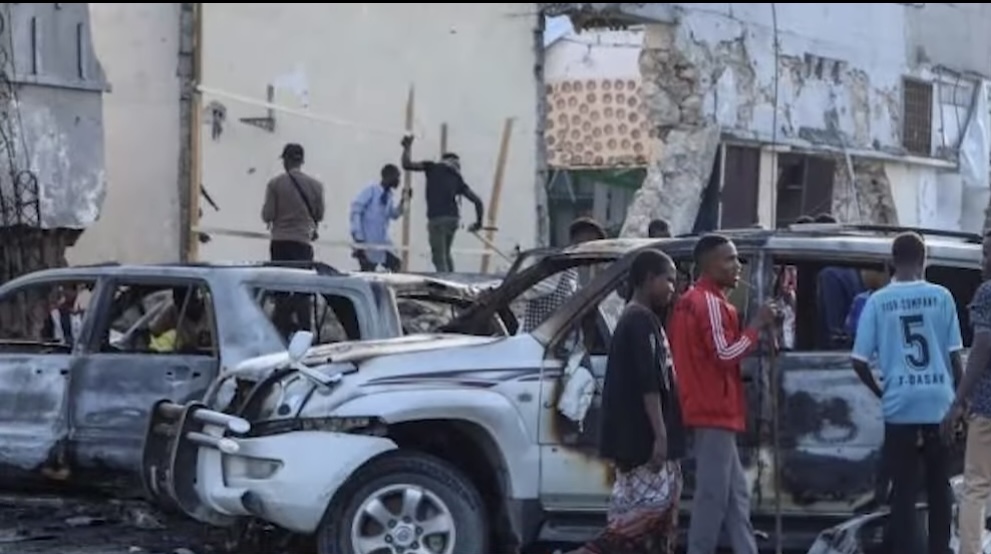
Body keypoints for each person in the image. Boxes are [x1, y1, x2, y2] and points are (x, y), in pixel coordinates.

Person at [564, 248, 685, 554]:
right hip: (642, 442)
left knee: (643, 524)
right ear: (649, 279)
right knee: (644, 517)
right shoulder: (639, 322)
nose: (672, 288)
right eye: (668, 280)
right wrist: (660, 436)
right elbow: (649, 383)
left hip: (638, 442)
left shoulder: (642, 319)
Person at [851, 231, 962, 554]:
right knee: (939, 486)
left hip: (899, 405)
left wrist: (881, 391)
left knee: (903, 489)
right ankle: (939, 549)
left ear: (891, 262)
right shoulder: (942, 296)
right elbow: (955, 357)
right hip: (938, 404)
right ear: (924, 260)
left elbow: (858, 360)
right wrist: (959, 402)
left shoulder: (877, 301)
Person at [668, 234, 777, 554]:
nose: (737, 265)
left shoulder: (691, 301)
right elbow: (725, 354)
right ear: (709, 265)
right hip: (713, 409)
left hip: (708, 407)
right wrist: (756, 325)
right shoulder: (711, 303)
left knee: (735, 496)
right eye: (729, 259)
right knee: (713, 496)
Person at [943, 229, 991, 554]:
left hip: (988, 407)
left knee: (975, 487)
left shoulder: (988, 292)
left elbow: (982, 347)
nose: (982, 262)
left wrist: (959, 399)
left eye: (987, 254)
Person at [400, 134, 484, 273]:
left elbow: (406, 164)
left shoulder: (432, 167)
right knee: (446, 254)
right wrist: (478, 223)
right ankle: (453, 279)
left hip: (437, 219)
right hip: (453, 219)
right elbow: (477, 202)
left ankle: (445, 282)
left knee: (438, 257)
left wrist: (407, 147)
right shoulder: (457, 178)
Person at [521, 217, 605, 332]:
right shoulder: (557, 266)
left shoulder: (572, 270)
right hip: (538, 337)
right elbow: (529, 291)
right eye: (594, 246)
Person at [261, 143, 325, 263]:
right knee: (300, 274)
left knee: (281, 273)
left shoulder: (275, 184)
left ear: (286, 161)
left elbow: (268, 215)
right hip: (303, 241)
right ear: (302, 161)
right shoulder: (316, 186)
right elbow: (319, 215)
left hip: (280, 242)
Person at [350, 164, 409, 272]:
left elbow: (393, 214)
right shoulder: (371, 190)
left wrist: (403, 201)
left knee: (396, 265)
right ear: (388, 176)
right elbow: (356, 210)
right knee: (368, 272)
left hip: (381, 242)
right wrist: (358, 235)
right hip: (366, 242)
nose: (398, 181)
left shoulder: (389, 196)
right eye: (396, 177)